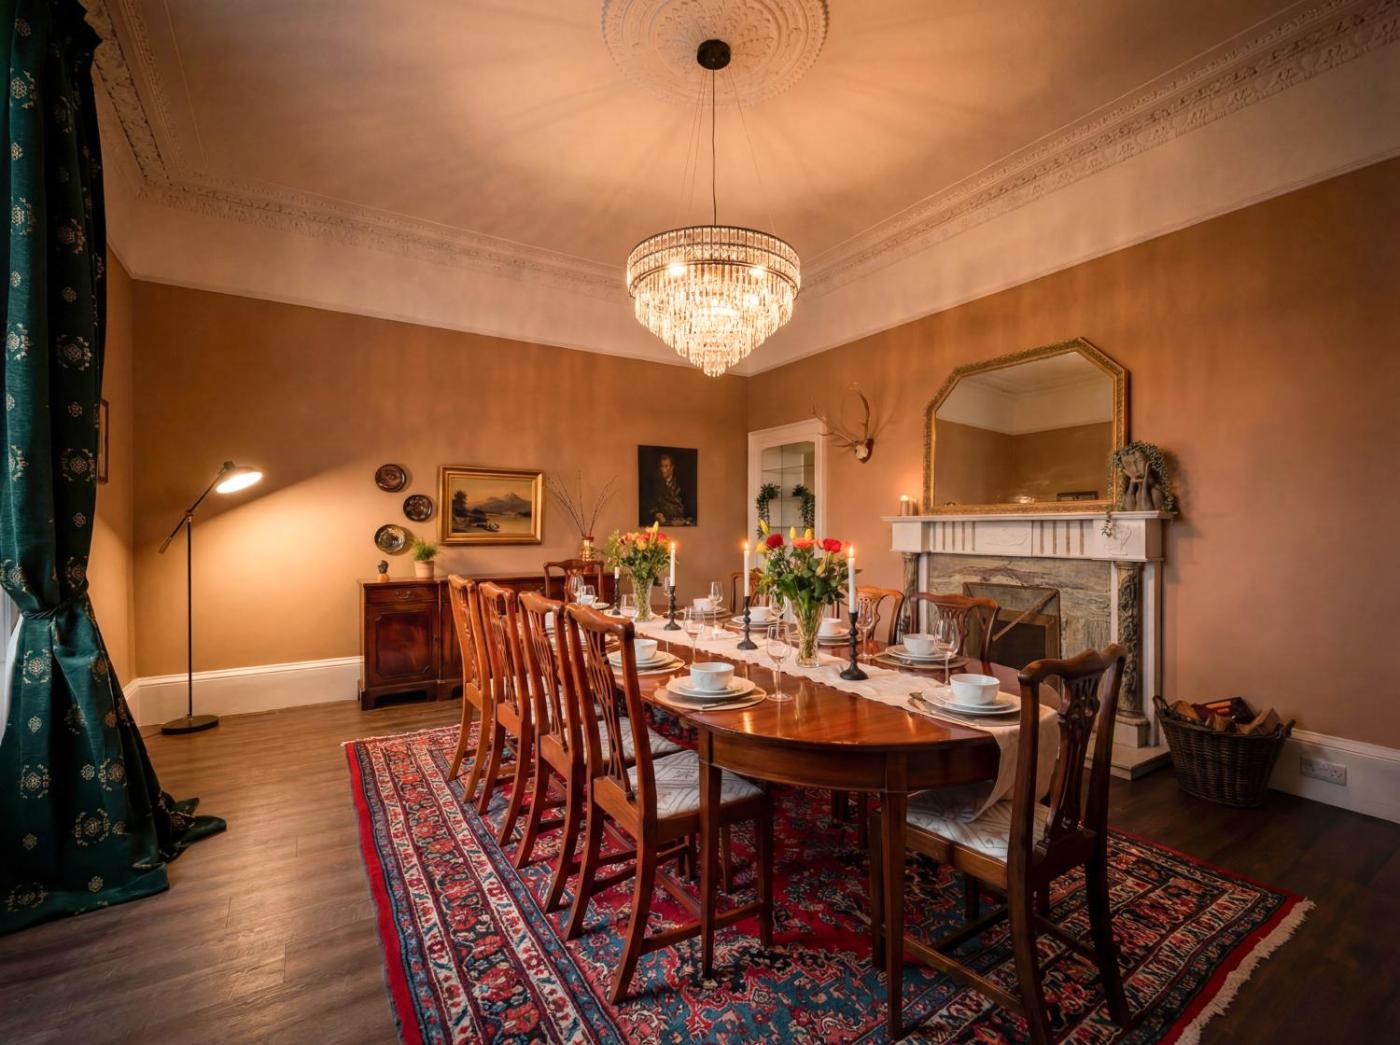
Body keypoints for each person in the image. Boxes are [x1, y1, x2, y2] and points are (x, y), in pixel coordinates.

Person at [646, 452, 693, 525]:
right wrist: (657, 513)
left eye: (666, 466)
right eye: (662, 466)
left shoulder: (681, 485)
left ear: (672, 467)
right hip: (663, 524)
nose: (663, 469)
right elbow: (652, 506)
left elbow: (688, 509)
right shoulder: (655, 486)